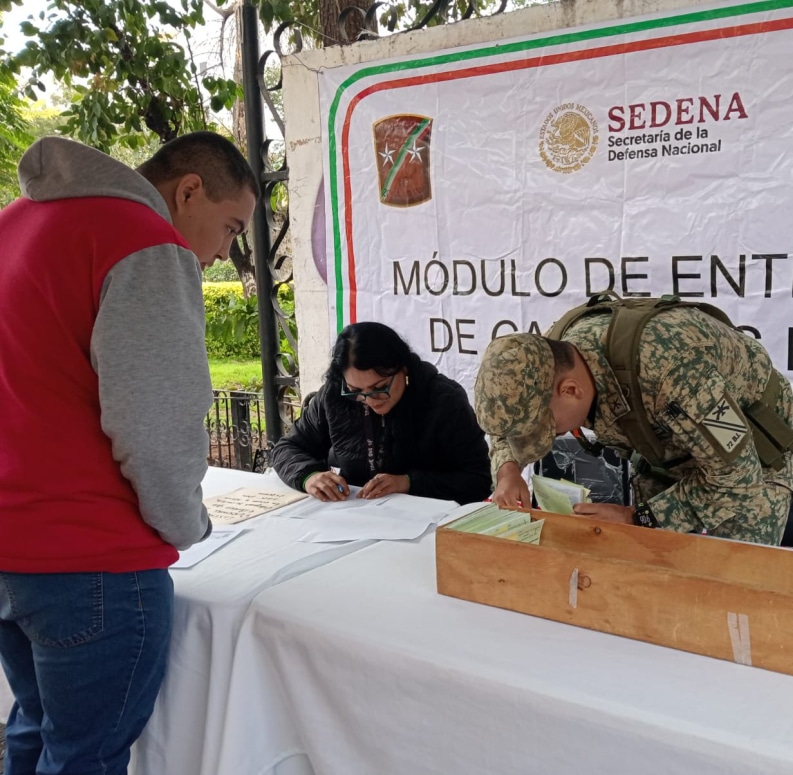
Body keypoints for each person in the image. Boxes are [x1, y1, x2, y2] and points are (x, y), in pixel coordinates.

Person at [0, 132, 257, 775]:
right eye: (230, 227)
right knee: (81, 757)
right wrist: (186, 523)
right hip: (91, 559)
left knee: (36, 731)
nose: (224, 253)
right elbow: (154, 421)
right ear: (189, 190)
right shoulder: (142, 241)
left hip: (14, 544)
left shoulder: (15, 224)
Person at [473, 296, 793, 545]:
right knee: (654, 556)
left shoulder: (673, 372)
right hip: (668, 435)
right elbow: (508, 422)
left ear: (571, 390)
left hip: (749, 447)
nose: (545, 437)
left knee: (736, 573)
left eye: (547, 428)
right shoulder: (539, 361)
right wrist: (508, 470)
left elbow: (738, 478)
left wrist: (635, 517)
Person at [271, 321, 492, 505]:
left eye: (380, 387)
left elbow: (478, 479)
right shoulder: (334, 396)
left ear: (403, 368)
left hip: (427, 522)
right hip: (353, 515)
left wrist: (408, 483)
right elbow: (286, 448)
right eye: (355, 390)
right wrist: (309, 476)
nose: (369, 400)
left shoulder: (443, 400)